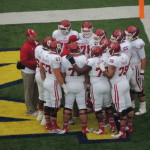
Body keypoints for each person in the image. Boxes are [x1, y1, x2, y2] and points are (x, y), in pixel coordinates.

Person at [66, 45, 115, 134]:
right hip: (106, 84)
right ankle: (112, 125)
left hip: (96, 85)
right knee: (108, 106)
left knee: (97, 108)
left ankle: (101, 129)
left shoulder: (91, 61)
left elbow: (80, 72)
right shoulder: (106, 59)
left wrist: (73, 63)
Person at [99, 42, 134, 138]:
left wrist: (103, 69)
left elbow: (110, 76)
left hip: (117, 85)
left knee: (121, 109)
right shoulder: (124, 55)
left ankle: (122, 132)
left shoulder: (112, 59)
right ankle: (129, 127)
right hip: (125, 81)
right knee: (128, 106)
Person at [61, 42, 92, 134]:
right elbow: (86, 73)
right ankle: (84, 128)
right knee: (82, 107)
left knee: (67, 106)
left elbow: (62, 74)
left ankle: (65, 127)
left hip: (69, 83)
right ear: (79, 49)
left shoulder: (64, 59)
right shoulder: (84, 58)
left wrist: (63, 85)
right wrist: (88, 84)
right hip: (80, 84)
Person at [40, 41, 68, 133]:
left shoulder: (44, 54)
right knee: (55, 105)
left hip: (47, 80)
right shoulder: (56, 58)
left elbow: (41, 68)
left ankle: (48, 125)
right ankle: (54, 126)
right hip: (53, 82)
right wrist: (63, 85)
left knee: (47, 103)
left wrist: (44, 80)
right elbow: (57, 74)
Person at [125, 26, 146, 115]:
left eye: (129, 34)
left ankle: (143, 107)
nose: (127, 36)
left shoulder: (138, 43)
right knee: (130, 86)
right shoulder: (127, 41)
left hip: (135, 66)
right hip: (128, 67)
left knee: (137, 87)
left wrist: (142, 71)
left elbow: (143, 58)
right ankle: (131, 103)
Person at [35, 37, 56, 125]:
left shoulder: (38, 48)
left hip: (38, 74)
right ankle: (45, 118)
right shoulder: (48, 55)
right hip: (45, 75)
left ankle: (40, 114)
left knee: (41, 96)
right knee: (48, 98)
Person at [20, 29, 40, 116]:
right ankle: (30, 111)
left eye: (35, 34)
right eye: (32, 35)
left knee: (36, 90)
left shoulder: (37, 43)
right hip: (28, 72)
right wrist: (36, 63)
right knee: (29, 91)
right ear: (28, 37)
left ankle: (34, 107)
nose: (34, 36)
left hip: (35, 71)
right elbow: (24, 61)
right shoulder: (25, 47)